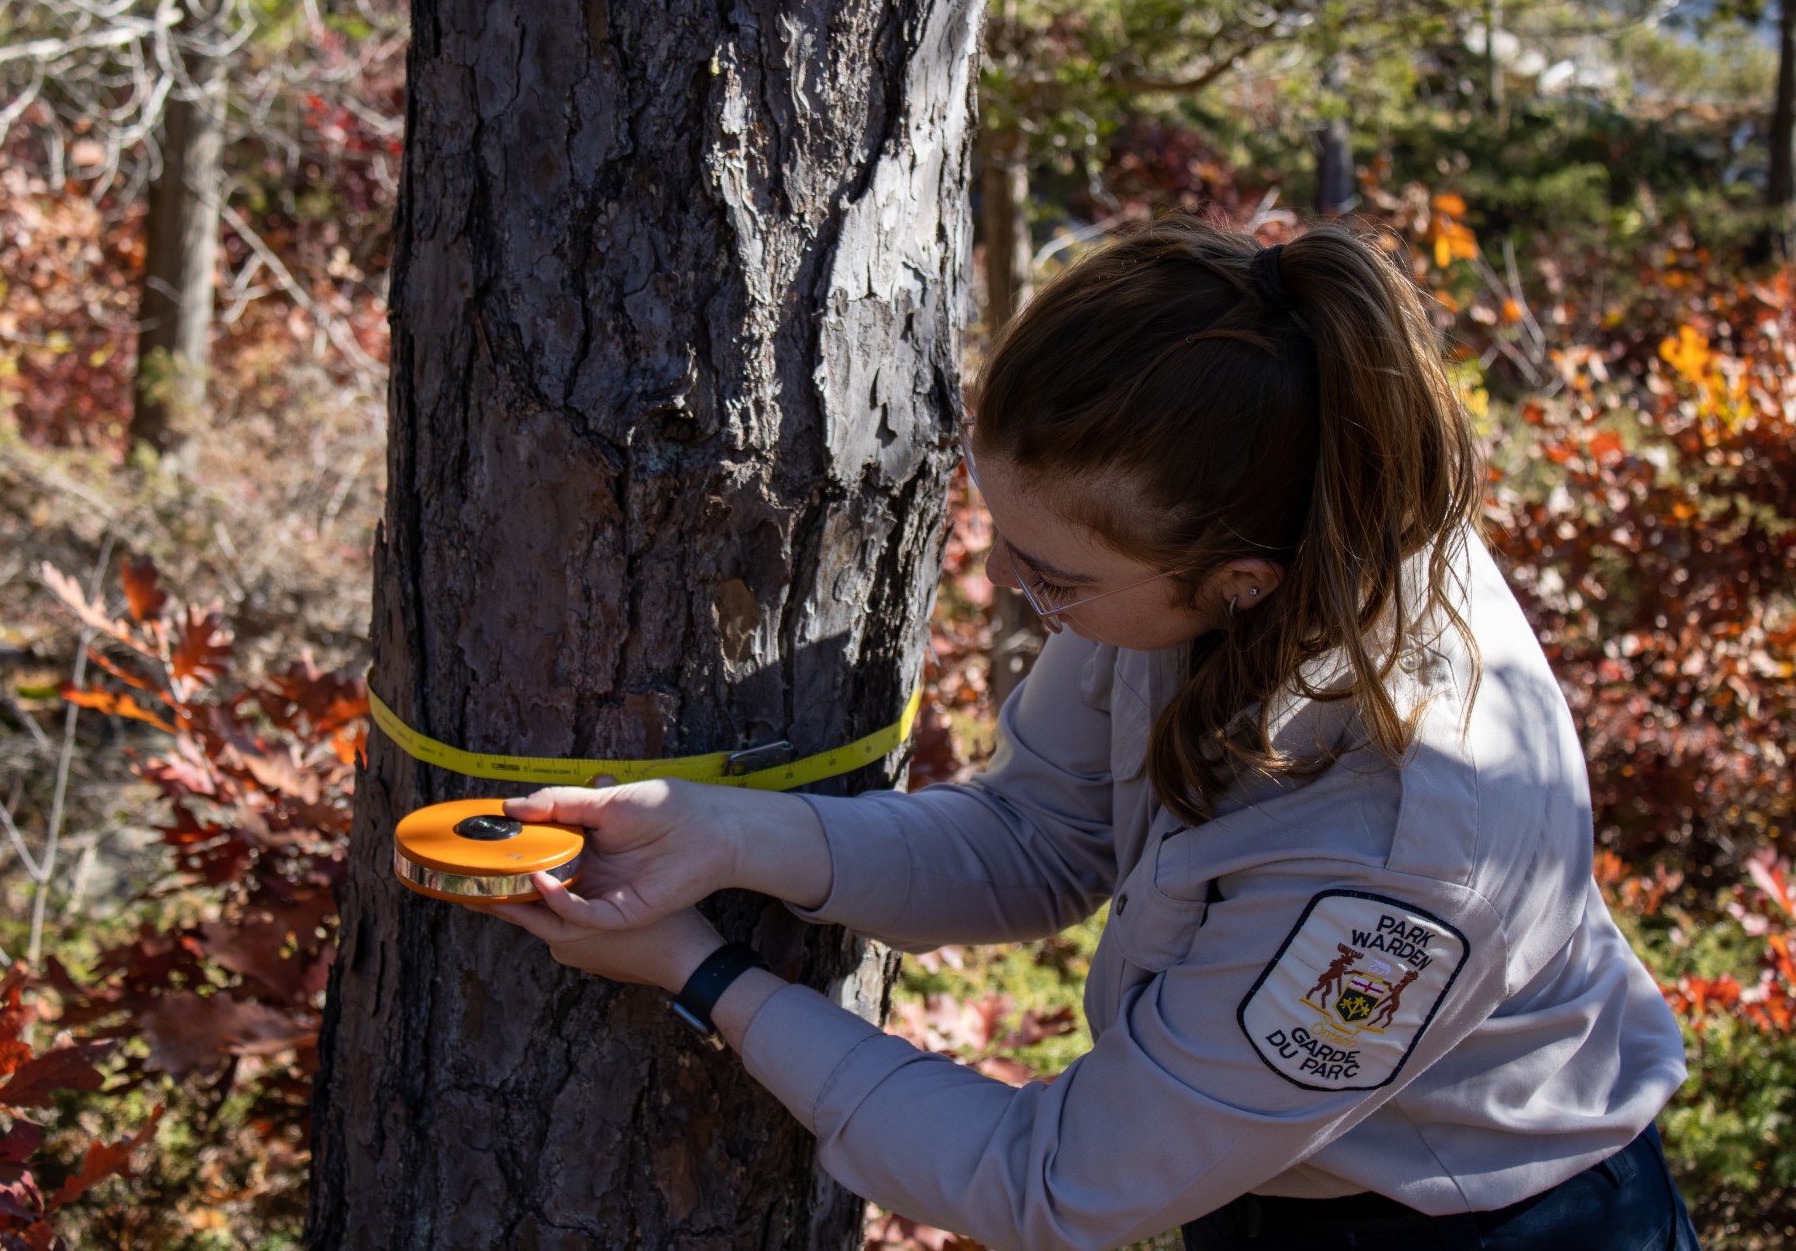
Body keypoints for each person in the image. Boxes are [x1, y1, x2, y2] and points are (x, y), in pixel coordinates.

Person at [486, 216, 1700, 1251]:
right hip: (1269, 1174)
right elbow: (1041, 835)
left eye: (1053, 577)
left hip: (1475, 1218)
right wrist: (724, 833)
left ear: (1242, 579)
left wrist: (706, 977)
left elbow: (1051, 1182)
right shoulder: (1255, 502)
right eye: (1002, 530)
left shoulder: (1393, 856)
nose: (1005, 582)